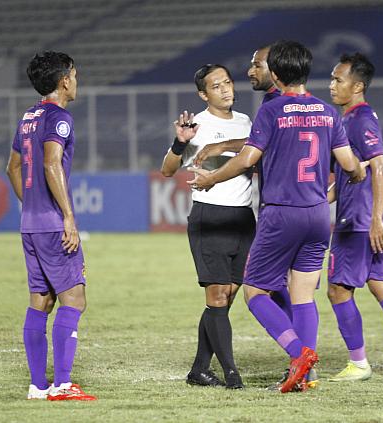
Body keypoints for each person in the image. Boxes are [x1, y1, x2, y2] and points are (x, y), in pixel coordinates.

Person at [187, 40, 365, 393]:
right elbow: (348, 164)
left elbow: (247, 159)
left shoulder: (272, 110)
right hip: (317, 216)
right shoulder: (328, 112)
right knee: (302, 296)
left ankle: (299, 355)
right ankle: (306, 376)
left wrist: (210, 178)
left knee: (255, 293)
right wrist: (359, 174)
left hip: (281, 214)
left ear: (277, 74)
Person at [5, 51, 96, 401]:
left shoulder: (28, 116)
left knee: (40, 301)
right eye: (74, 74)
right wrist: (68, 217)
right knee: (74, 298)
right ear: (64, 81)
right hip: (52, 225)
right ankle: (62, 384)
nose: (76, 79)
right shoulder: (60, 117)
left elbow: (12, 168)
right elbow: (51, 162)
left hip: (30, 224)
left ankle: (37, 386)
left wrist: (30, 206)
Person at [160, 64, 251, 389]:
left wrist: (227, 146)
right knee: (216, 296)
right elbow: (168, 169)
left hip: (244, 219)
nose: (225, 89)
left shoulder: (246, 122)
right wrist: (180, 143)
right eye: (216, 86)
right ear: (203, 94)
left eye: (227, 82)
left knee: (226, 297)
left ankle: (199, 369)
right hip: (210, 216)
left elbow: (256, 153)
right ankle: (231, 374)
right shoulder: (197, 124)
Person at [326, 53, 383, 383]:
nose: (332, 85)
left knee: (337, 290)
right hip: (377, 220)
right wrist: (326, 196)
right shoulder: (351, 118)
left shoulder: (359, 119)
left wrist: (375, 217)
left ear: (357, 86)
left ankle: (358, 363)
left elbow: (378, 166)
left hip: (361, 222)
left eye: (338, 80)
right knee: (382, 286)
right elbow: (354, 172)